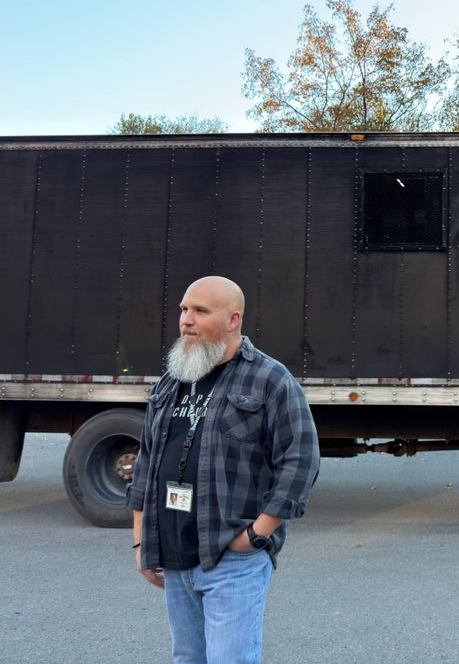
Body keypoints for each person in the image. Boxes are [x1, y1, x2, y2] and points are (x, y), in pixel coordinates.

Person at [127, 276, 319, 664]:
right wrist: (140, 541)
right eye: (184, 309)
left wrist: (255, 535)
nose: (186, 320)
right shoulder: (172, 381)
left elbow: (300, 461)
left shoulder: (270, 379)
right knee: (188, 659)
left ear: (233, 319)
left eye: (200, 311)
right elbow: (146, 461)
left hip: (232, 557)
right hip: (175, 555)